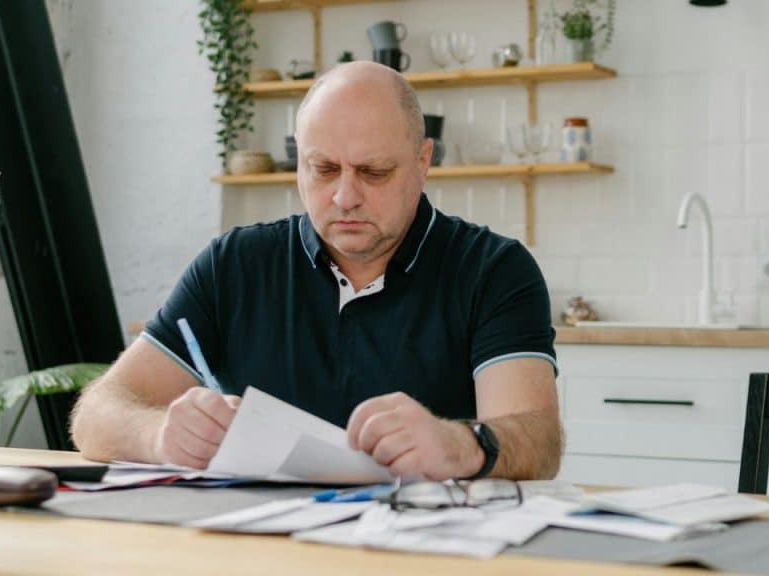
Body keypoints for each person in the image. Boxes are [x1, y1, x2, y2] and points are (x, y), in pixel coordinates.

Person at [71, 62, 561, 481]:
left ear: (422, 161)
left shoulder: (493, 269)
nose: (345, 197)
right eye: (323, 169)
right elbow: (96, 414)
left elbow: (538, 440)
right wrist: (159, 435)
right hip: (262, 551)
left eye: (373, 172)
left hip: (424, 550)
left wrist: (460, 444)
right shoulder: (234, 265)